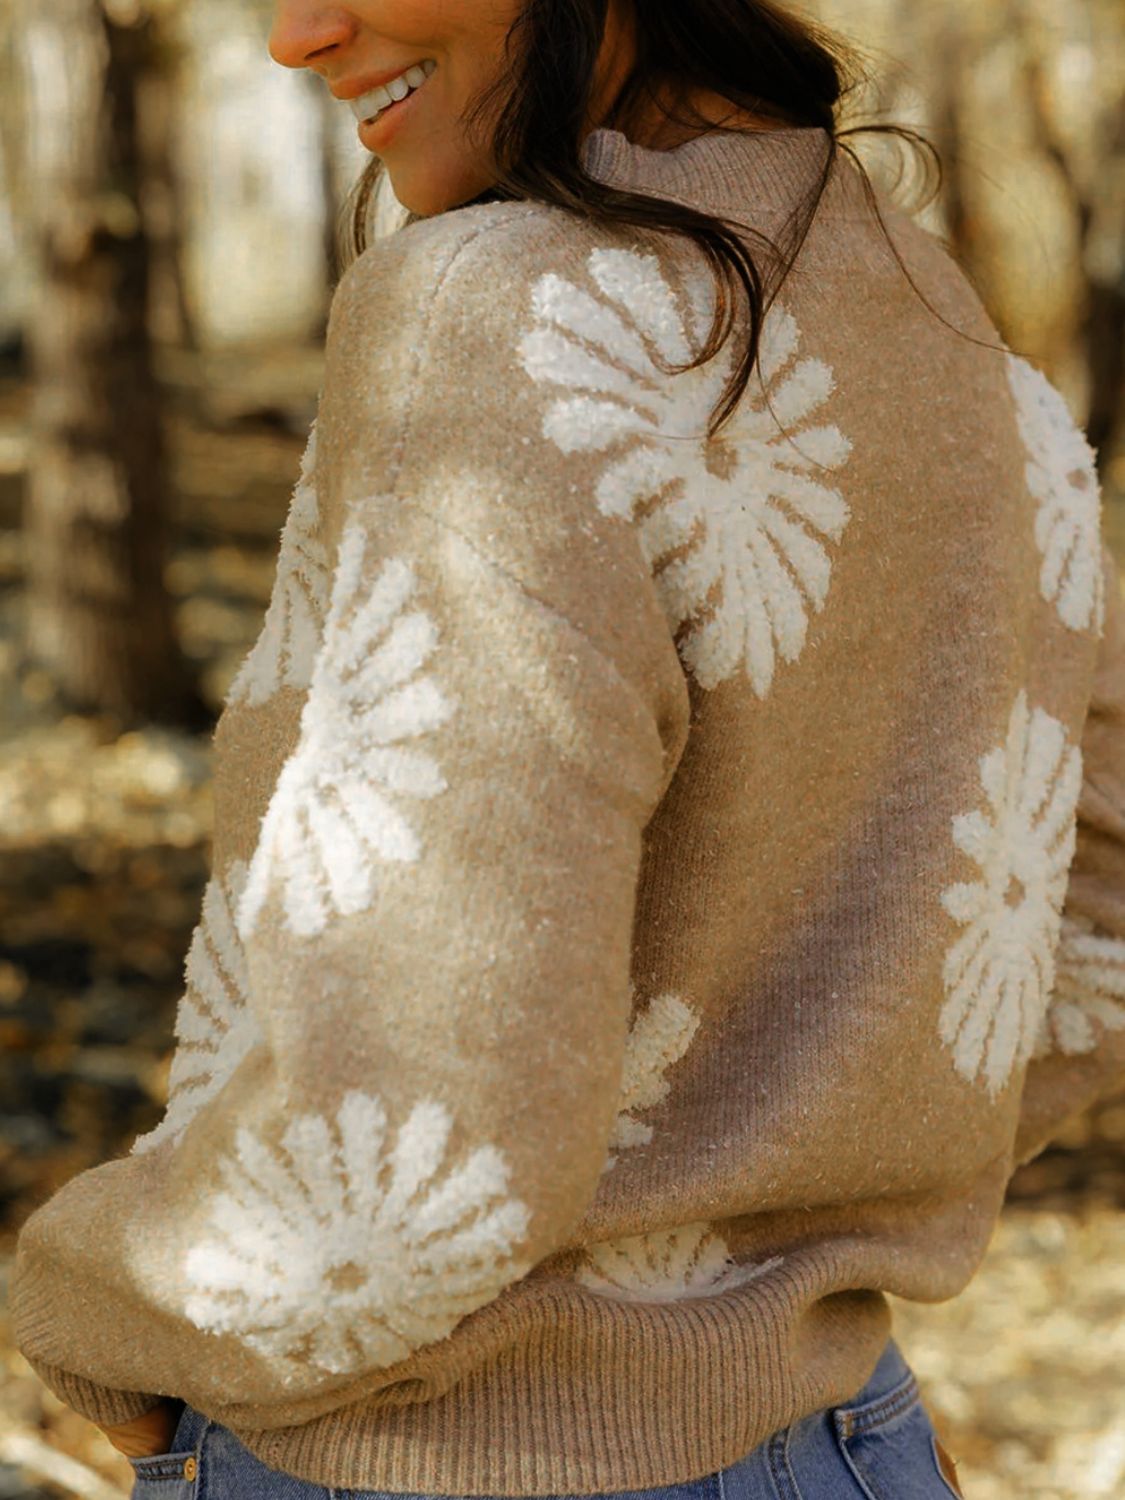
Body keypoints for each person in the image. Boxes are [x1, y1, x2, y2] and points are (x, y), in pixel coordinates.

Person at [10, 1, 1125, 1497]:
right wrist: (814, 1155)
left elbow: (429, 1117)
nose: (297, 34)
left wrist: (88, 1304)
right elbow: (1096, 925)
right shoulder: (944, 327)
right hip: (851, 1444)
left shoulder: (496, 312)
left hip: (434, 1453)